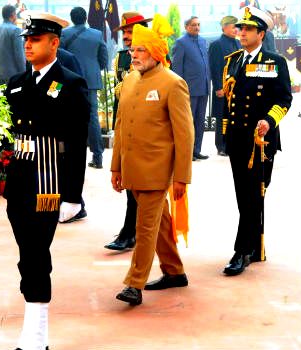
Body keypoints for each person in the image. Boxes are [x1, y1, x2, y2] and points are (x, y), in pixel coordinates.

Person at [4, 11, 89, 349]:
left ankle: (36, 335)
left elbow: (78, 142)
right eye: (26, 38)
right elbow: (5, 134)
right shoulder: (16, 82)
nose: (27, 44)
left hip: (49, 186)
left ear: (54, 43)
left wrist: (73, 195)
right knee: (27, 253)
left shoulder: (70, 83)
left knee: (37, 253)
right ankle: (33, 320)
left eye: (35, 39)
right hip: (20, 184)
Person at [111, 14, 194, 306]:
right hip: (132, 169)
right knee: (157, 224)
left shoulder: (174, 83)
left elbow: (185, 135)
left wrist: (182, 176)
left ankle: (134, 284)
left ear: (156, 53)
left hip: (158, 171)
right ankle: (174, 271)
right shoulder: (131, 79)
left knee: (144, 227)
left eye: (140, 50)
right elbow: (121, 125)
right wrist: (115, 167)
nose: (134, 55)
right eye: (133, 50)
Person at [221, 6, 292, 276]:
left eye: (248, 29)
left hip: (260, 141)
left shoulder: (275, 62)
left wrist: (269, 121)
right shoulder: (233, 61)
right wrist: (225, 134)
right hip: (237, 139)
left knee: (253, 194)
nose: (242, 33)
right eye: (241, 28)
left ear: (261, 33)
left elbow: (284, 99)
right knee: (244, 195)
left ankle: (242, 250)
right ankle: (255, 246)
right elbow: (228, 104)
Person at [103, 11, 153, 251]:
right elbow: (118, 94)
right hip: (126, 125)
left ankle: (133, 232)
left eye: (131, 32)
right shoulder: (121, 58)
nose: (126, 37)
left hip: (147, 130)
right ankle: (131, 231)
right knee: (129, 182)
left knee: (146, 187)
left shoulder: (156, 58)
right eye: (124, 32)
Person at [61, 6, 108, 170]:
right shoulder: (97, 34)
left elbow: (60, 57)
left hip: (69, 81)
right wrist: (93, 70)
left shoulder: (64, 34)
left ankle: (72, 158)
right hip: (90, 82)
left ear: (72, 18)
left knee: (69, 118)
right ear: (86, 17)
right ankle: (98, 157)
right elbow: (103, 59)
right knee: (92, 118)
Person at [171, 16, 210, 161]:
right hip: (189, 89)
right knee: (188, 122)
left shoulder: (202, 41)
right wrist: (179, 88)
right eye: (193, 25)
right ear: (186, 27)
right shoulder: (181, 43)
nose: (197, 27)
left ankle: (196, 150)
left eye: (198, 24)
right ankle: (187, 151)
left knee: (200, 121)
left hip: (204, 87)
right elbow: (177, 69)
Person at [208, 15, 240, 157]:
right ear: (224, 28)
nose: (236, 30)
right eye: (233, 27)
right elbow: (215, 68)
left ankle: (232, 143)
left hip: (237, 88)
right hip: (223, 88)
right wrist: (218, 87)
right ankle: (221, 146)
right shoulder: (217, 45)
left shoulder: (238, 44)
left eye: (237, 27)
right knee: (222, 117)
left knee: (234, 116)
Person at [0, 5, 26, 85]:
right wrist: (24, 75)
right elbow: (19, 55)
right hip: (14, 77)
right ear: (13, 15)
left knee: (2, 97)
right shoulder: (16, 30)